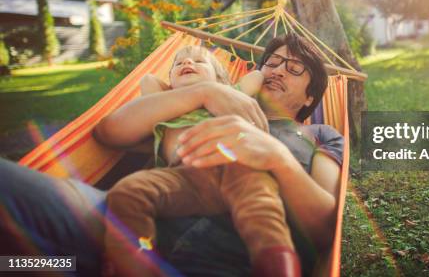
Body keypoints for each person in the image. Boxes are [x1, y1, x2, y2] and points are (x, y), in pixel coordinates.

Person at [0, 33, 344, 276]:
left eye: (295, 68)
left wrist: (278, 159)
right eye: (273, 62)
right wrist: (204, 93)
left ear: (311, 98)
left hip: (225, 262)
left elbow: (327, 225)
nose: (278, 70)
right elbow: (109, 131)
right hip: (111, 238)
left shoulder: (319, 136)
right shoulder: (199, 104)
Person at [103, 45, 299, 277]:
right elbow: (148, 80)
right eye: (179, 63)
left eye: (199, 62)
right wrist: (185, 89)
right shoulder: (164, 107)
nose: (188, 64)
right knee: (127, 193)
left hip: (236, 165)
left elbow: (256, 76)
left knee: (262, 211)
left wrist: (221, 88)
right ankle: (135, 265)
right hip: (184, 177)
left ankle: (278, 266)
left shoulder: (232, 95)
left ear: (221, 81)